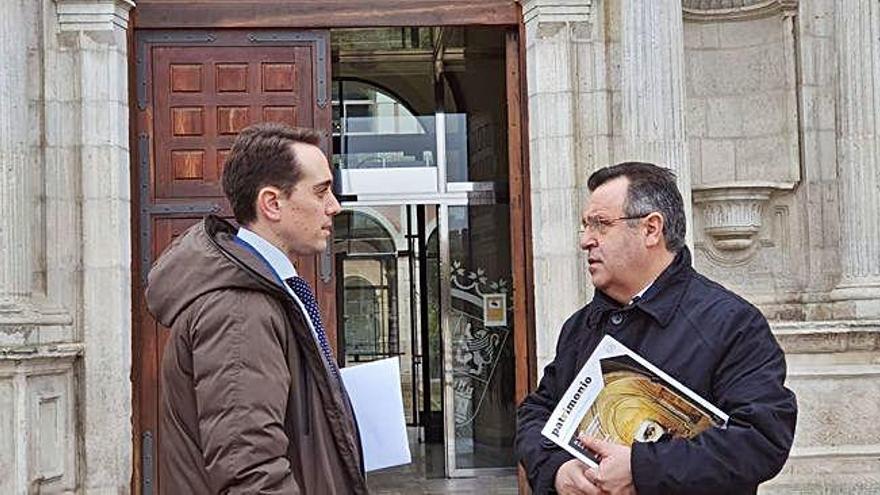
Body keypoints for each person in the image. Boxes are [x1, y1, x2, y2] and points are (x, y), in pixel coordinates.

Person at [516, 162, 797, 495]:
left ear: (651, 229)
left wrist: (641, 468)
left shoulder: (732, 323)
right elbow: (536, 413)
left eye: (601, 224)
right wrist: (557, 470)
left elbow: (760, 440)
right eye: (585, 226)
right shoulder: (581, 326)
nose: (586, 241)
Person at [146, 123, 368, 494]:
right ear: (272, 204)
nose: (335, 206)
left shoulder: (263, 291)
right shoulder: (238, 309)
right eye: (321, 191)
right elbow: (250, 471)